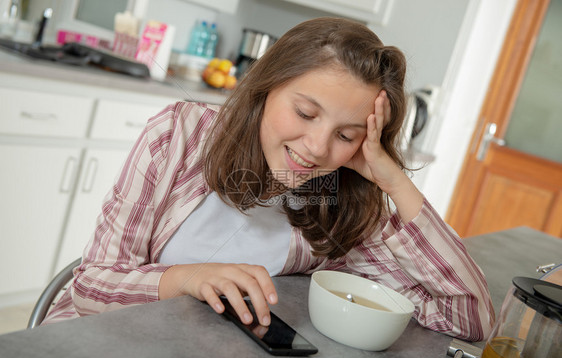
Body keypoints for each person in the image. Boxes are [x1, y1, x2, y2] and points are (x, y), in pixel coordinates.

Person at [43, 17, 495, 341]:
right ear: (266, 87)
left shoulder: (338, 198)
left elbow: (469, 317)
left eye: (345, 135)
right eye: (304, 113)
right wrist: (186, 278)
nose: (317, 147)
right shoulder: (180, 135)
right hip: (92, 345)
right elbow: (91, 287)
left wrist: (396, 183)